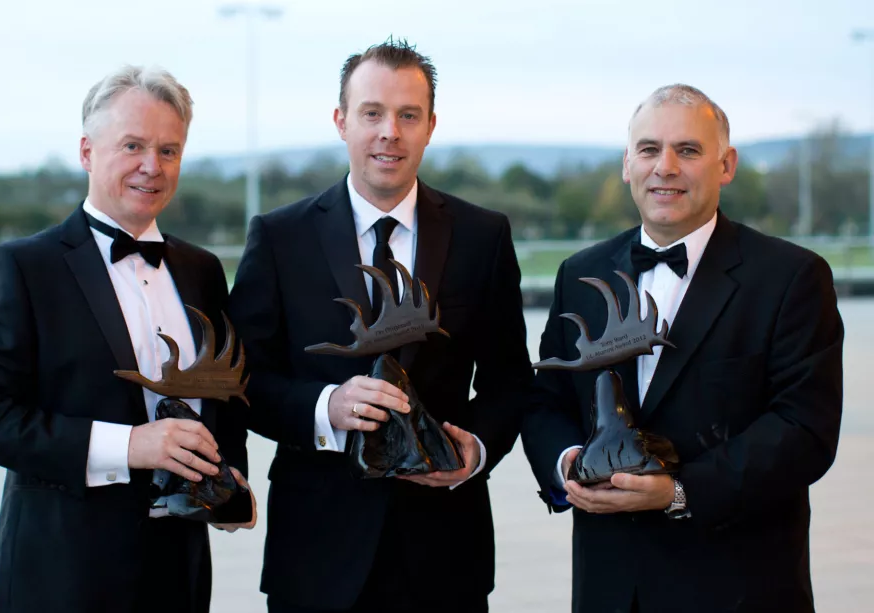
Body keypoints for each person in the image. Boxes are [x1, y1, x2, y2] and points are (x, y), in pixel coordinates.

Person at [227, 38, 533, 613]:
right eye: (372, 113)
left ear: (430, 125)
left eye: (407, 115)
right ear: (342, 121)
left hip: (446, 550)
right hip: (316, 554)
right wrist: (325, 408)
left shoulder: (483, 235)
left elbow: (511, 380)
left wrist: (475, 449)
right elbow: (244, 382)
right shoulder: (278, 238)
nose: (389, 131)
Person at [522, 84, 844, 613]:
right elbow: (546, 400)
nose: (664, 167)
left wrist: (679, 491)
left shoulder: (792, 277)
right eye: (648, 150)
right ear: (628, 164)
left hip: (738, 587)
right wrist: (567, 463)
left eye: (688, 150)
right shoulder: (580, 274)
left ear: (726, 164)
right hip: (610, 587)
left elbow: (804, 428)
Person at [0, 65, 256, 613]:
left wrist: (230, 477)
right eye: (132, 145)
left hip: (179, 570)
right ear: (87, 151)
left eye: (169, 150)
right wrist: (130, 445)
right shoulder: (23, 267)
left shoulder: (203, 269)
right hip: (62, 572)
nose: (151, 167)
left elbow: (227, 397)